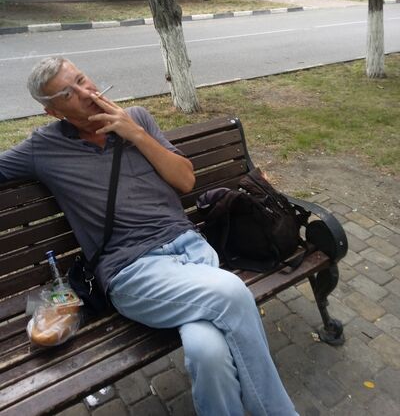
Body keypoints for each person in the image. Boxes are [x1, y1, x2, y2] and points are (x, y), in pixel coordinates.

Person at [0, 57, 298, 416]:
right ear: (53, 112)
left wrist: (134, 134)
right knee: (232, 293)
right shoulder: (43, 148)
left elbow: (185, 181)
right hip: (132, 270)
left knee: (207, 351)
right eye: (68, 93)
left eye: (81, 79)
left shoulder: (138, 118)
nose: (85, 92)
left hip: (191, 250)